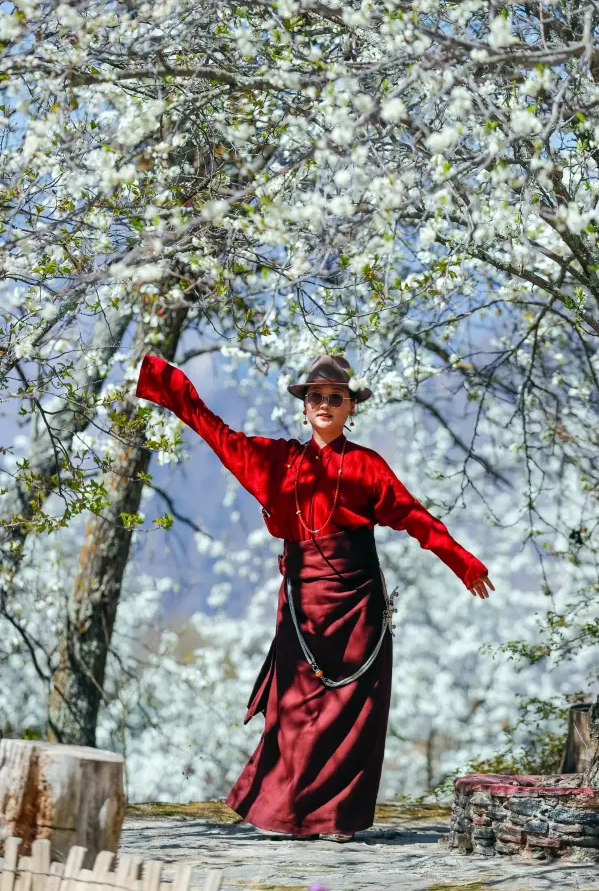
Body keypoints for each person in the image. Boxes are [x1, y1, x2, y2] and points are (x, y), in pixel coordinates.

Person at [135, 352, 494, 842]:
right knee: (294, 713)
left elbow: (414, 517)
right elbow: (215, 432)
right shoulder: (276, 461)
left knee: (353, 716)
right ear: (304, 406)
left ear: (351, 408)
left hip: (358, 609)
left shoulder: (367, 466)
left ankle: (338, 822)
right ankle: (293, 817)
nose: (324, 404)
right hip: (301, 609)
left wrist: (461, 560)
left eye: (335, 398)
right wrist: (162, 383)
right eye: (316, 397)